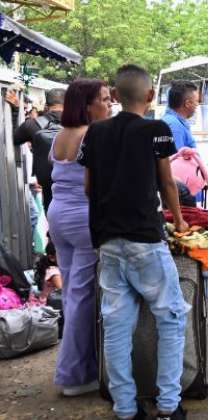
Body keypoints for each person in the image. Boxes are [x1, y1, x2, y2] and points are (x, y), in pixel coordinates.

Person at [78, 64, 189, 420]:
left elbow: (87, 188)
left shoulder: (95, 133)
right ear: (151, 96)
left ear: (115, 93)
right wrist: (181, 220)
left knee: (116, 326)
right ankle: (169, 406)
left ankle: (126, 409)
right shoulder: (156, 130)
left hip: (107, 241)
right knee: (171, 319)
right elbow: (167, 183)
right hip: (145, 239)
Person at [46, 79, 112, 396]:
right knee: (83, 298)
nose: (109, 104)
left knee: (74, 294)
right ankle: (73, 375)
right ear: (87, 105)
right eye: (103, 99)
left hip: (57, 216)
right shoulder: (92, 134)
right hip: (83, 219)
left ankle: (77, 368)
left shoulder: (61, 135)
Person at [14, 88, 66, 213]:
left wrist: (15, 111)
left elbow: (13, 140)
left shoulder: (32, 125)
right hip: (79, 193)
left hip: (48, 191)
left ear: (46, 106)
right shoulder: (81, 123)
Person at [161, 80, 199, 150]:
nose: (197, 104)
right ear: (187, 103)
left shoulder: (170, 121)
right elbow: (175, 159)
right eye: (196, 101)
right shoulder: (174, 126)